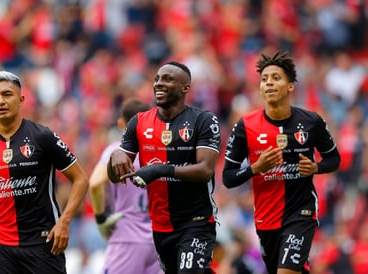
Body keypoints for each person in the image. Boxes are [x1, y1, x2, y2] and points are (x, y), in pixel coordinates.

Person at [222, 50, 341, 274]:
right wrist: (256, 168)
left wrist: (316, 167)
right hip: (266, 219)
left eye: (276, 78)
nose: (269, 83)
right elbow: (227, 178)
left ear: (290, 86)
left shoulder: (311, 122)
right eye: (264, 79)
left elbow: (334, 159)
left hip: (301, 212)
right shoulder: (245, 126)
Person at [0, 71, 89, 273]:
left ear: (21, 100)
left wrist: (64, 222)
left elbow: (80, 179)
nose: (0, 101)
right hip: (1, 246)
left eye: (7, 94)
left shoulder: (43, 137)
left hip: (44, 241)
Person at [107, 61, 221, 274]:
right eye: (157, 79)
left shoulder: (203, 120)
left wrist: (159, 170)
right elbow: (115, 177)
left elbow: (205, 170)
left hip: (195, 221)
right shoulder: (138, 122)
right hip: (160, 226)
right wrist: (116, 156)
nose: (159, 83)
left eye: (168, 79)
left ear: (185, 88)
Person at [88, 98, 162, 274]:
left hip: (128, 237)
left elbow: (95, 184)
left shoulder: (118, 150)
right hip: (160, 238)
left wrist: (101, 219)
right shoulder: (161, 151)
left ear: (121, 123)